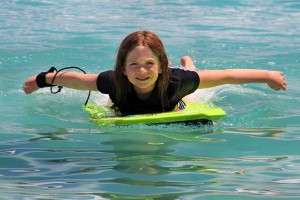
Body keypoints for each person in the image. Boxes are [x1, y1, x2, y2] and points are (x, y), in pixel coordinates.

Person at [23, 30, 287, 115]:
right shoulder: (112, 81)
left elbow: (227, 75)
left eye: (149, 63)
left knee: (197, 89)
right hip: (128, 100)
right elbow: (78, 81)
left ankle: (188, 63)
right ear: (122, 69)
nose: (141, 71)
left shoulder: (177, 81)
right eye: (133, 65)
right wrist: (40, 80)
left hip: (175, 93)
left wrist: (267, 76)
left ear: (161, 66)